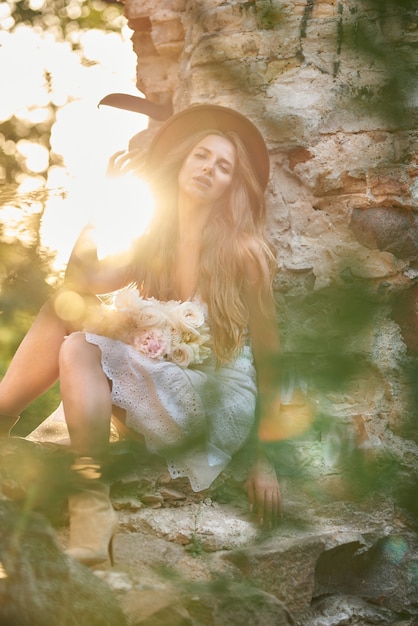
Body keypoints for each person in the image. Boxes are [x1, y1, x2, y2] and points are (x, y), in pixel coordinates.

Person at [0, 104, 282, 566]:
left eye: (223, 166)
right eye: (201, 156)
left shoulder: (245, 252)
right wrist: (106, 201)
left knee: (78, 340)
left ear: (232, 184)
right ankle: (87, 502)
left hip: (213, 397)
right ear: (182, 163)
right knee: (67, 321)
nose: (209, 169)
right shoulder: (153, 243)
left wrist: (266, 460)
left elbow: (271, 358)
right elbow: (75, 285)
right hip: (153, 375)